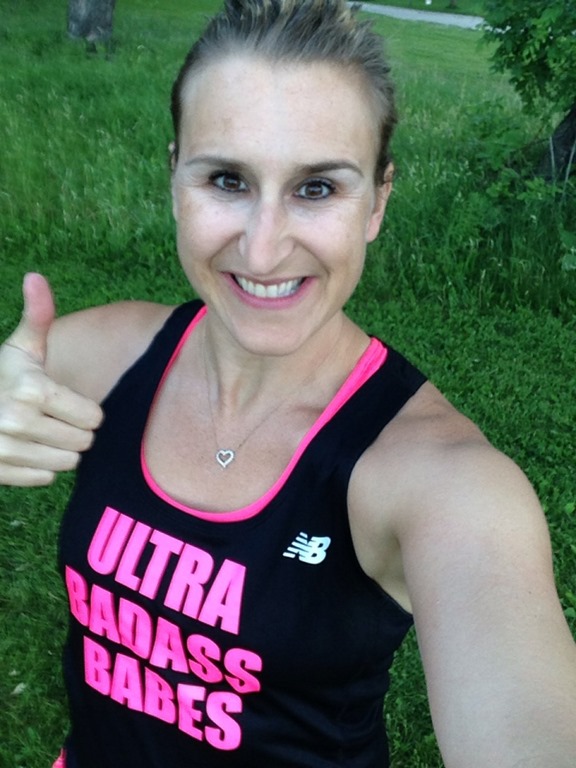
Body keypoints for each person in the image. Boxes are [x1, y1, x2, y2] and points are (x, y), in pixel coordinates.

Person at [1, 0, 575, 766]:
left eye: (317, 189)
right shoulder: (104, 355)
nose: (263, 249)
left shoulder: (441, 484)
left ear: (377, 202)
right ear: (174, 176)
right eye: (227, 179)